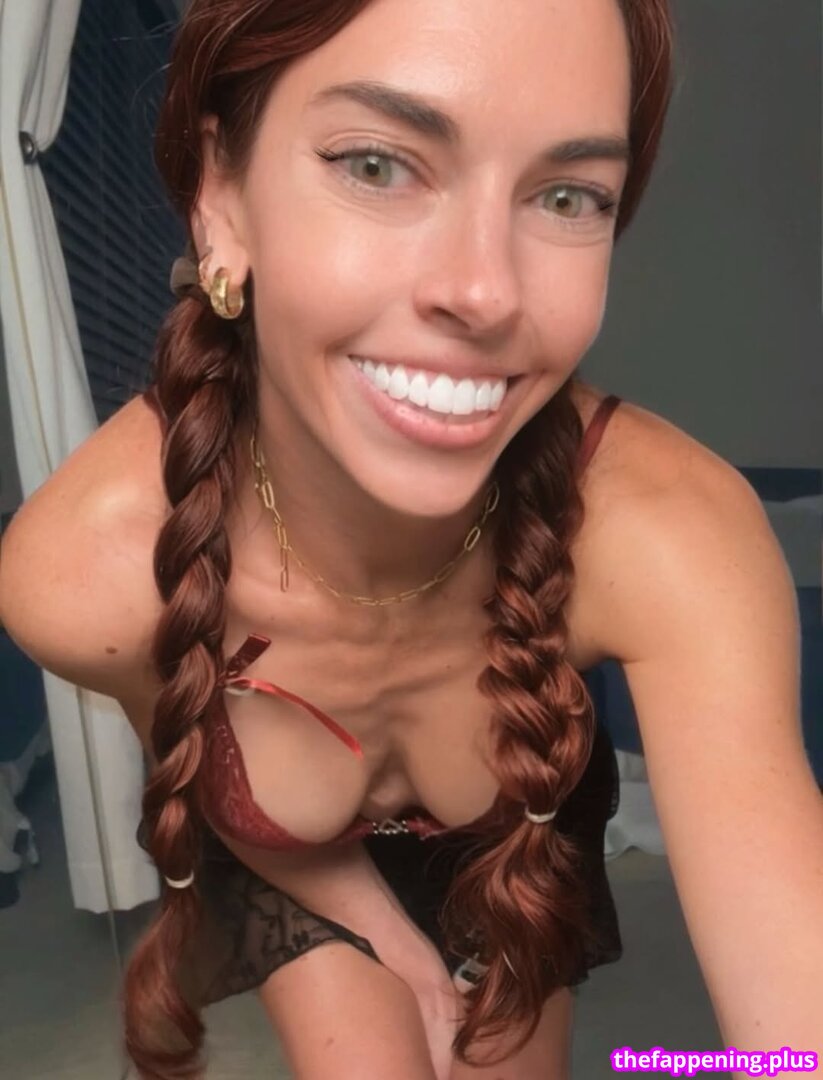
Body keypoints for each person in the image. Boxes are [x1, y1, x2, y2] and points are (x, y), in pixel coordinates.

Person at [1, 0, 821, 1078]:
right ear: (220, 196)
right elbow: (207, 770)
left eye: (567, 195)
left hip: (513, 844)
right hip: (290, 860)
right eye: (377, 165)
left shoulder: (666, 535)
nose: (483, 293)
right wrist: (385, 938)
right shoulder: (89, 571)